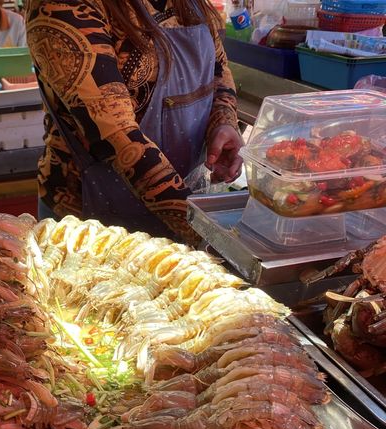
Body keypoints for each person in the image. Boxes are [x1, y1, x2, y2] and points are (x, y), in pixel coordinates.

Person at [26, 0, 243, 245]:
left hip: (188, 210)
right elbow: (117, 135)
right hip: (91, 225)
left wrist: (223, 123)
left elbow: (219, 72)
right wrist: (209, 234)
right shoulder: (63, 5)